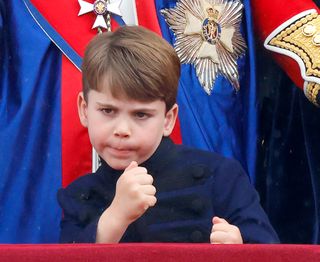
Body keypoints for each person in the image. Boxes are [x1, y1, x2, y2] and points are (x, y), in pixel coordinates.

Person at [57, 25, 279, 244]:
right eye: (108, 111)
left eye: (141, 114)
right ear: (84, 110)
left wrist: (240, 248)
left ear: (168, 119)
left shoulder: (220, 176)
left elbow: (272, 251)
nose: (122, 130)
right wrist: (114, 218)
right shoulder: (79, 196)